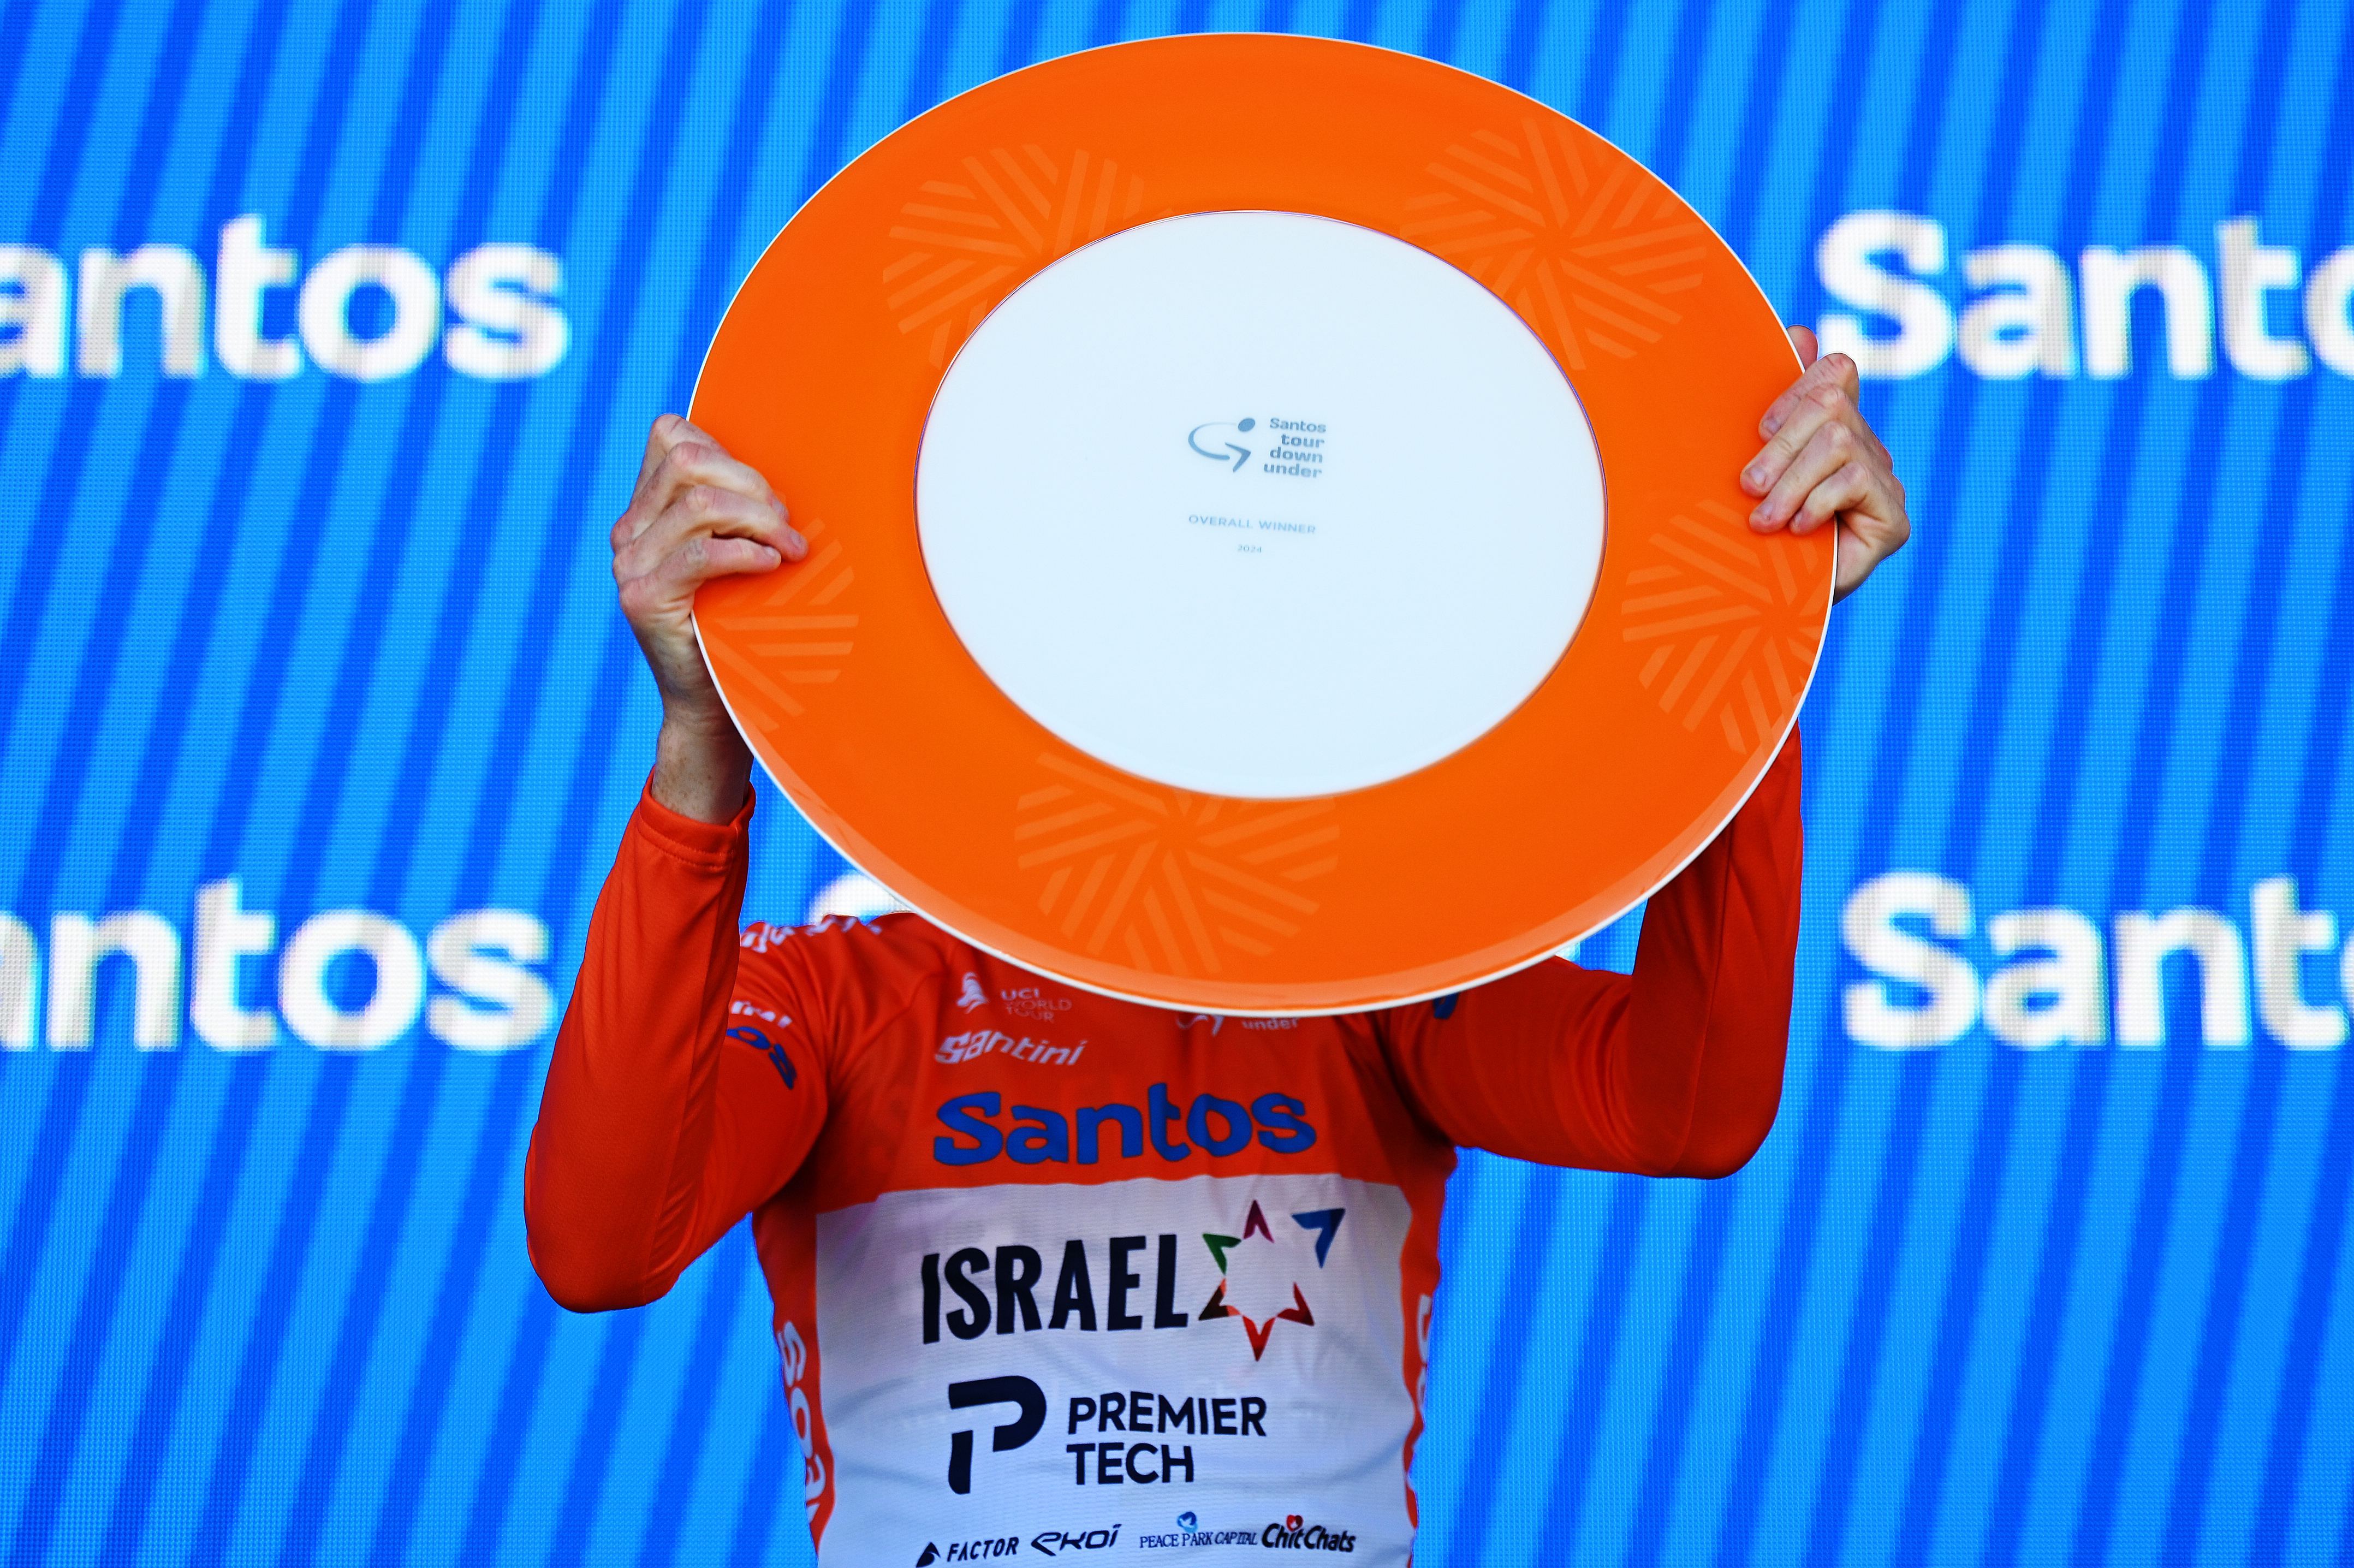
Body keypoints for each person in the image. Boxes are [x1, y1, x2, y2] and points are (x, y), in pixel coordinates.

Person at [526, 326, 1907, 1564]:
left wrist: (1754, 647)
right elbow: (599, 1249)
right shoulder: (835, 992)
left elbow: (1681, 1107)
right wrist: (703, 745)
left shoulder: (1360, 968)